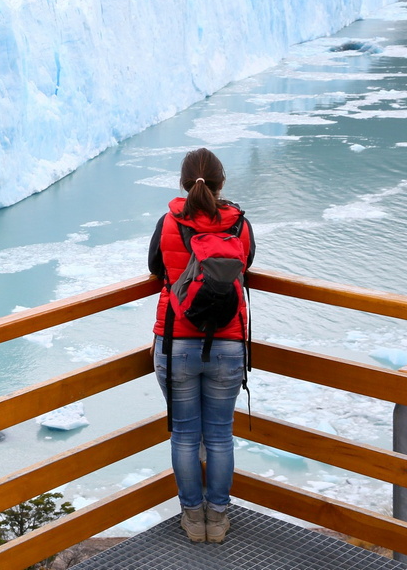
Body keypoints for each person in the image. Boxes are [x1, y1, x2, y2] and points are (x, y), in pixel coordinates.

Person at [148, 147, 255, 544]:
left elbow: (156, 267)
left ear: (184, 182)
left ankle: (194, 520)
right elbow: (246, 266)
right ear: (221, 182)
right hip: (228, 343)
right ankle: (219, 517)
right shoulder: (239, 225)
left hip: (176, 340)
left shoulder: (168, 222)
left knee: (185, 435)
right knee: (220, 435)